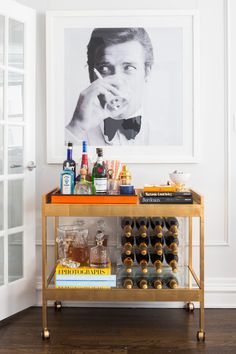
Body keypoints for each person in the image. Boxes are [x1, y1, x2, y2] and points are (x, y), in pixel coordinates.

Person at [66, 27, 154, 145]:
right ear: (92, 76)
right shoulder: (74, 133)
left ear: (147, 72)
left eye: (129, 68)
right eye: (104, 68)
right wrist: (76, 127)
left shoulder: (166, 137)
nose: (116, 81)